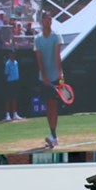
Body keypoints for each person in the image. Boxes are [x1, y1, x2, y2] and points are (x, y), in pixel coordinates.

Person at [33, 11, 63, 149]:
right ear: (41, 21)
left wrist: (60, 73)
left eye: (50, 19)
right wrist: (44, 76)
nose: (48, 21)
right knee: (48, 106)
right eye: (46, 19)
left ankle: (54, 135)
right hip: (43, 78)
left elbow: (58, 57)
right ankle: (53, 134)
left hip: (56, 77)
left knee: (53, 104)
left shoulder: (56, 36)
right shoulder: (37, 39)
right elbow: (39, 60)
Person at [4, 51, 23, 121]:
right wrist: (7, 83)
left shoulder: (16, 62)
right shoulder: (8, 64)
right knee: (8, 98)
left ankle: (15, 114)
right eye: (12, 53)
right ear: (9, 54)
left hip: (16, 82)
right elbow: (6, 74)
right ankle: (7, 115)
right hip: (9, 83)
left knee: (15, 98)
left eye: (14, 54)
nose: (13, 55)